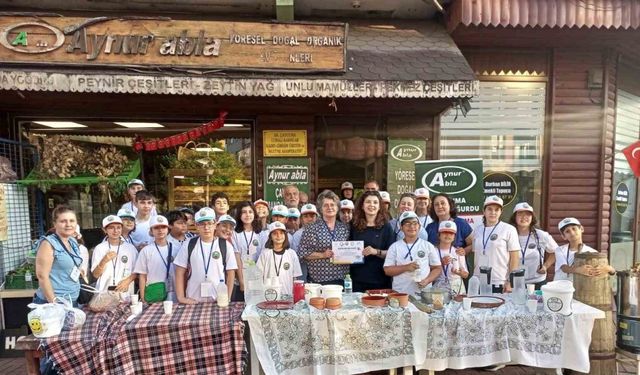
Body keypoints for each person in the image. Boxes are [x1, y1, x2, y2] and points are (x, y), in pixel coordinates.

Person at [174, 207, 238, 304]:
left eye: (209, 223)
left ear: (215, 224)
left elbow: (231, 273)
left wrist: (227, 297)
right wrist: (181, 298)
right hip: (193, 299)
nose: (206, 227)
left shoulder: (225, 245)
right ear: (196, 225)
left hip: (218, 300)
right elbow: (179, 272)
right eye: (202, 224)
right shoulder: (189, 244)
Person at [299, 190, 350, 286]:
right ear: (320, 209)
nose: (329, 207)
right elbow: (303, 253)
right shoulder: (312, 228)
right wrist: (323, 254)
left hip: (342, 278)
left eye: (332, 205)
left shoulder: (345, 228)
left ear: (337, 207)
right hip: (319, 280)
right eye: (325, 205)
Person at [383, 211, 441, 296]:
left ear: (419, 226)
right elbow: (387, 270)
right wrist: (406, 267)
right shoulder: (394, 247)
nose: (412, 226)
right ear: (401, 228)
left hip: (423, 294)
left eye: (415, 223)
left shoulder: (428, 246)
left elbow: (437, 268)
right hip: (400, 294)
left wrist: (427, 280)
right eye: (407, 224)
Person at [470, 195, 520, 293]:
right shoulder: (477, 230)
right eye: (489, 209)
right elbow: (475, 255)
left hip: (499, 282)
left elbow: (514, 258)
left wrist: (510, 281)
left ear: (501, 212)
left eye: (496, 210)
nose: (493, 212)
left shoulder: (509, 229)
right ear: (484, 211)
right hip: (478, 281)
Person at [34, 205, 83, 304]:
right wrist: (54, 303)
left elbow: (65, 264)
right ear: (55, 224)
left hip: (71, 300)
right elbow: (42, 276)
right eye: (63, 221)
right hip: (52, 303)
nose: (68, 224)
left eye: (72, 221)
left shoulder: (72, 241)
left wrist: (78, 270)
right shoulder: (48, 244)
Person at [349, 191, 394, 292]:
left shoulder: (386, 226)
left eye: (375, 202)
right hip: (357, 279)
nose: (371, 205)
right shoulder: (353, 225)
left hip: (380, 279)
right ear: (362, 206)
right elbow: (346, 249)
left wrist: (376, 252)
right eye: (368, 202)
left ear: (379, 207)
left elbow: (392, 253)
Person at [508, 202, 558, 289]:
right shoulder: (508, 234)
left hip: (537, 282)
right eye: (520, 214)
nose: (524, 217)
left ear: (532, 217)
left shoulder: (541, 235)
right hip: (514, 282)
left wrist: (546, 266)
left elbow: (556, 252)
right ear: (514, 217)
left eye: (528, 214)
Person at [134, 215, 177, 303]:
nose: (160, 230)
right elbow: (142, 276)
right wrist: (142, 298)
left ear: (168, 229)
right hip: (154, 293)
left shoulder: (177, 248)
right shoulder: (146, 251)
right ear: (151, 231)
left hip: (175, 292)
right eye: (156, 228)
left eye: (163, 227)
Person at [91, 215, 138, 295]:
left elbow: (138, 271)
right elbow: (95, 275)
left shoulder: (131, 249)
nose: (115, 231)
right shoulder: (99, 248)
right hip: (103, 295)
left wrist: (127, 281)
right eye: (111, 227)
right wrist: (104, 260)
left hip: (125, 294)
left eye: (118, 227)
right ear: (104, 230)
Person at [257, 221, 302, 297]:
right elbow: (258, 275)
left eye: (281, 233)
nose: (278, 236)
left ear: (285, 235)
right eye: (275, 233)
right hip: (269, 294)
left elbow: (295, 277)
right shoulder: (265, 253)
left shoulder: (291, 254)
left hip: (287, 294)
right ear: (270, 236)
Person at [434, 221, 468, 294]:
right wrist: (441, 263)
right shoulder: (433, 251)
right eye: (444, 232)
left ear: (454, 237)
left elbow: (465, 275)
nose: (448, 235)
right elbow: (428, 271)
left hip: (457, 286)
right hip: (439, 286)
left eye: (451, 233)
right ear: (439, 235)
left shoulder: (458, 252)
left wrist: (459, 273)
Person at [216, 214, 244, 300]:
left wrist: (227, 297)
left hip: (226, 288)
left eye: (231, 228)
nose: (227, 230)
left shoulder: (229, 244)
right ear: (216, 226)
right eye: (224, 226)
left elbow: (231, 272)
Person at [292, 203, 318, 281]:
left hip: (321, 272)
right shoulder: (297, 235)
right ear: (301, 218)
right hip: (303, 271)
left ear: (317, 217)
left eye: (312, 216)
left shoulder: (323, 232)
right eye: (306, 216)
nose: (309, 219)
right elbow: (297, 257)